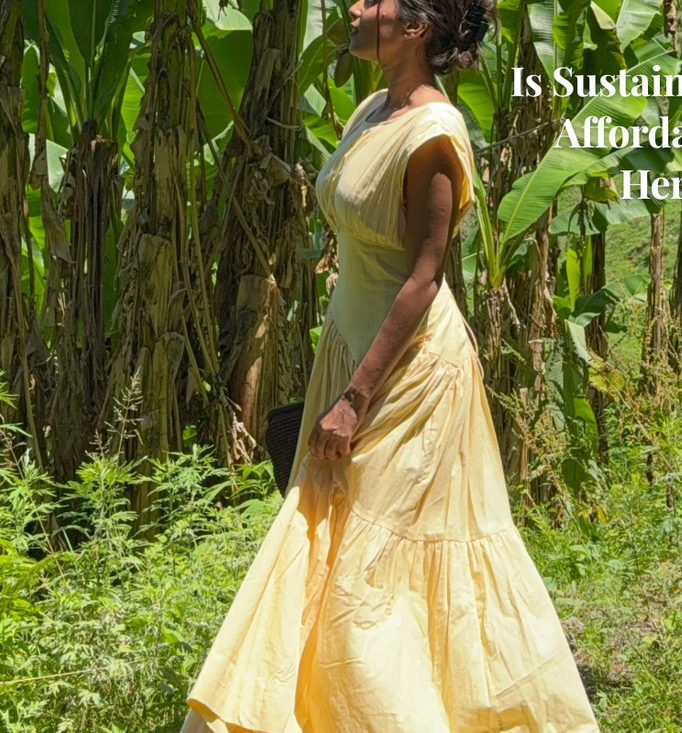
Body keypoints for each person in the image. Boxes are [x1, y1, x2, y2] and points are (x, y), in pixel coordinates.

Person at [179, 0, 600, 729]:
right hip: (351, 352)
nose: (353, 7)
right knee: (340, 555)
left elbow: (424, 277)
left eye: (374, 1)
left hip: (405, 376)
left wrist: (355, 398)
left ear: (414, 28)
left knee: (371, 574)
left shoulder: (434, 135)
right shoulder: (372, 109)